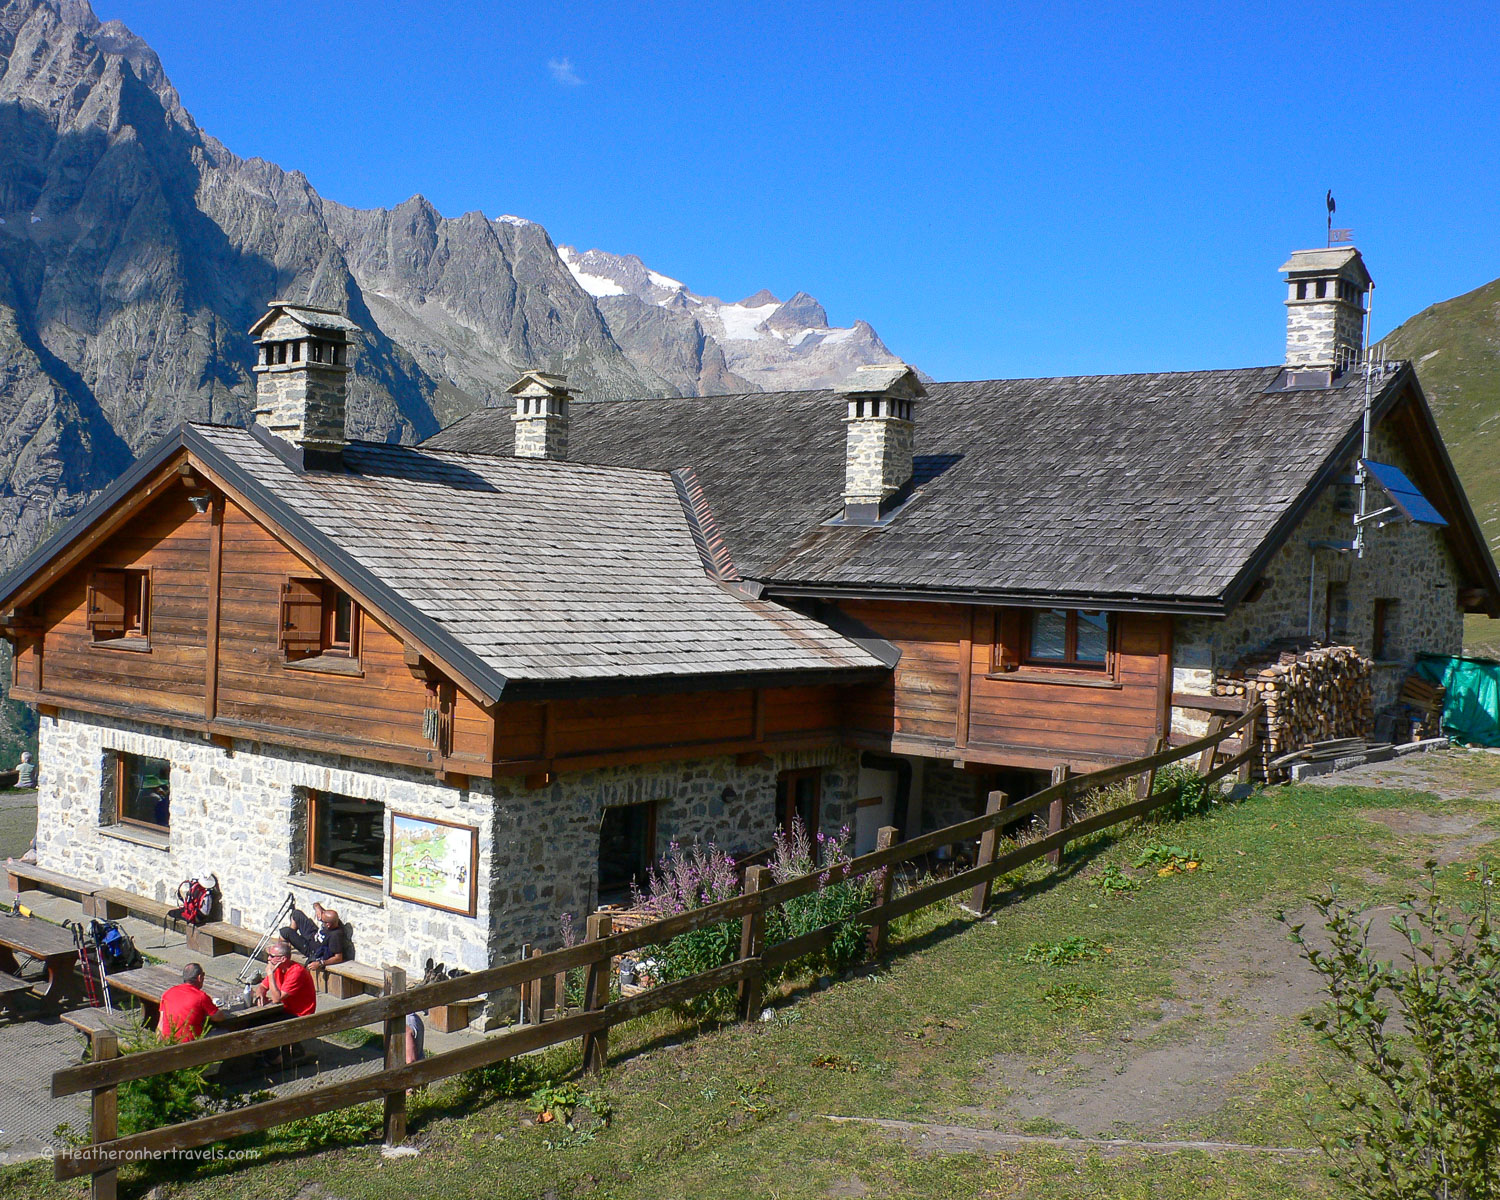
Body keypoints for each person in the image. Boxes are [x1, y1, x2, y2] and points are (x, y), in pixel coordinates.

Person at [279, 901, 346, 976]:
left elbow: (338, 958)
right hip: (313, 935)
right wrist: (317, 907)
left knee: (285, 932)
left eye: (322, 921)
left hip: (312, 949)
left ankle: (280, 958)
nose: (321, 921)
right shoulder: (334, 920)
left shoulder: (335, 936)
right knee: (296, 914)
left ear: (328, 924)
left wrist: (320, 963)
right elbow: (322, 910)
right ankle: (289, 943)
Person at [158, 962, 220, 1043]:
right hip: (191, 1044)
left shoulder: (167, 993)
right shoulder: (201, 996)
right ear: (200, 977)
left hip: (168, 1042)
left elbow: (161, 1023)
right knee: (224, 1031)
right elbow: (219, 1017)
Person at [254, 939, 317, 1017]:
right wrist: (260, 995)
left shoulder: (297, 972)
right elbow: (262, 986)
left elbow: (276, 999)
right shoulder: (277, 968)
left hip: (299, 1015)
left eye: (272, 956)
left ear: (283, 959)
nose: (268, 959)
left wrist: (270, 974)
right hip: (284, 1009)